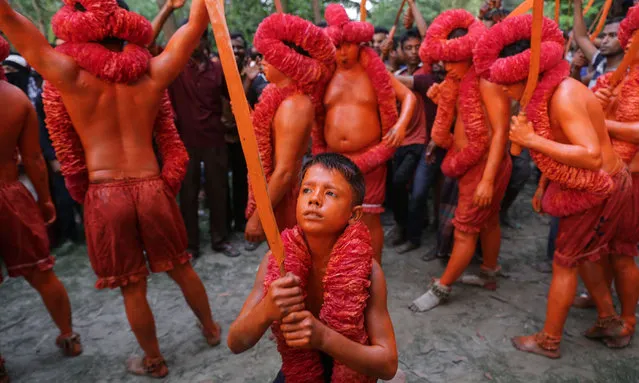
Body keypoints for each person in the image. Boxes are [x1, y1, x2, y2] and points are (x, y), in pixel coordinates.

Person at [0, 0, 223, 376]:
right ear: (125, 24)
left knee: (132, 286)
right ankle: (212, 329)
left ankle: (153, 360)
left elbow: (7, 18)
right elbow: (197, 25)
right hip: (151, 185)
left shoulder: (67, 73)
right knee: (181, 267)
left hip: (105, 192)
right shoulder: (151, 72)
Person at [474, 14, 632, 358]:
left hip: (600, 188)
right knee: (582, 256)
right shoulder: (547, 94)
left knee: (564, 262)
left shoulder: (563, 96)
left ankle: (549, 341)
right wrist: (544, 184)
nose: (502, 89)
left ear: (527, 74)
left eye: (507, 82)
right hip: (588, 187)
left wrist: (533, 140)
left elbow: (590, 156)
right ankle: (610, 321)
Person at [227, 153, 398, 382]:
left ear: (354, 214)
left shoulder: (369, 272)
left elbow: (388, 365)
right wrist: (266, 310)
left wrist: (323, 338)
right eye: (307, 190)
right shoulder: (277, 260)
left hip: (354, 364)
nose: (314, 199)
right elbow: (236, 343)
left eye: (330, 193)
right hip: (300, 367)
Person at [410, 9, 512, 312]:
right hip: (473, 163)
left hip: (486, 166)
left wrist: (488, 180)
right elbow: (461, 120)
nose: (445, 67)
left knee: (465, 229)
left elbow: (500, 132)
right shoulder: (461, 81)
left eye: (451, 60)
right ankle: (489, 272)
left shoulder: (488, 80)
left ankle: (442, 287)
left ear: (467, 53)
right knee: (489, 220)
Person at [0, 35, 82, 382]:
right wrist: (45, 200)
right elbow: (34, 158)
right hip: (10, 194)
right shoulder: (16, 98)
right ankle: (69, 336)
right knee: (42, 272)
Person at [315, 4, 416, 262]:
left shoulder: (375, 72)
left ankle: (374, 272)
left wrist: (400, 125)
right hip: (333, 159)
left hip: (370, 158)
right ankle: (341, 271)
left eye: (348, 45)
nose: (343, 52)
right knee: (335, 217)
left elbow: (408, 98)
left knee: (368, 220)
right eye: (337, 47)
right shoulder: (324, 75)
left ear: (359, 43)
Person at [243, 13, 335, 247]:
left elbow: (284, 172)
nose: (262, 60)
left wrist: (258, 217)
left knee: (289, 266)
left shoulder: (295, 104)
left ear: (287, 61)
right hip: (278, 195)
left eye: (268, 55)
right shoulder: (279, 96)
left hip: (285, 198)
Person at [585, 3, 639, 346]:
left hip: (632, 179)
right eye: (631, 37)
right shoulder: (612, 79)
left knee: (621, 251)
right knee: (599, 248)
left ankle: (627, 319)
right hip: (604, 175)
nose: (632, 43)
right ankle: (601, 302)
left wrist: (603, 121)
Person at [573, 0, 624, 88]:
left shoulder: (629, 73)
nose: (604, 41)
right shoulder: (601, 62)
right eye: (604, 36)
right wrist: (577, 3)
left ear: (626, 37)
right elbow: (581, 37)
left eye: (612, 35)